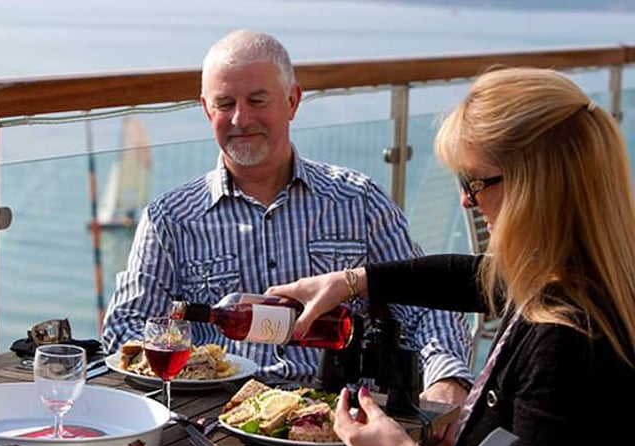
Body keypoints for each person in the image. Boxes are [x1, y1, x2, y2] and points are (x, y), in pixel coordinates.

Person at [266, 66, 635, 446]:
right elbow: (468, 277)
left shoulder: (564, 338)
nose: (465, 199)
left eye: (474, 181)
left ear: (535, 185)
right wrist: (351, 281)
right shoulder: (584, 274)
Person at [101, 29, 472, 407]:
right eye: (225, 103)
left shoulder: (358, 200)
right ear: (207, 110)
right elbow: (125, 330)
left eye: (257, 100)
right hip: (217, 415)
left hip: (342, 415)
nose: (240, 118)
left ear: (292, 101)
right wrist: (201, 366)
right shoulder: (170, 218)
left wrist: (448, 379)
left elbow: (429, 306)